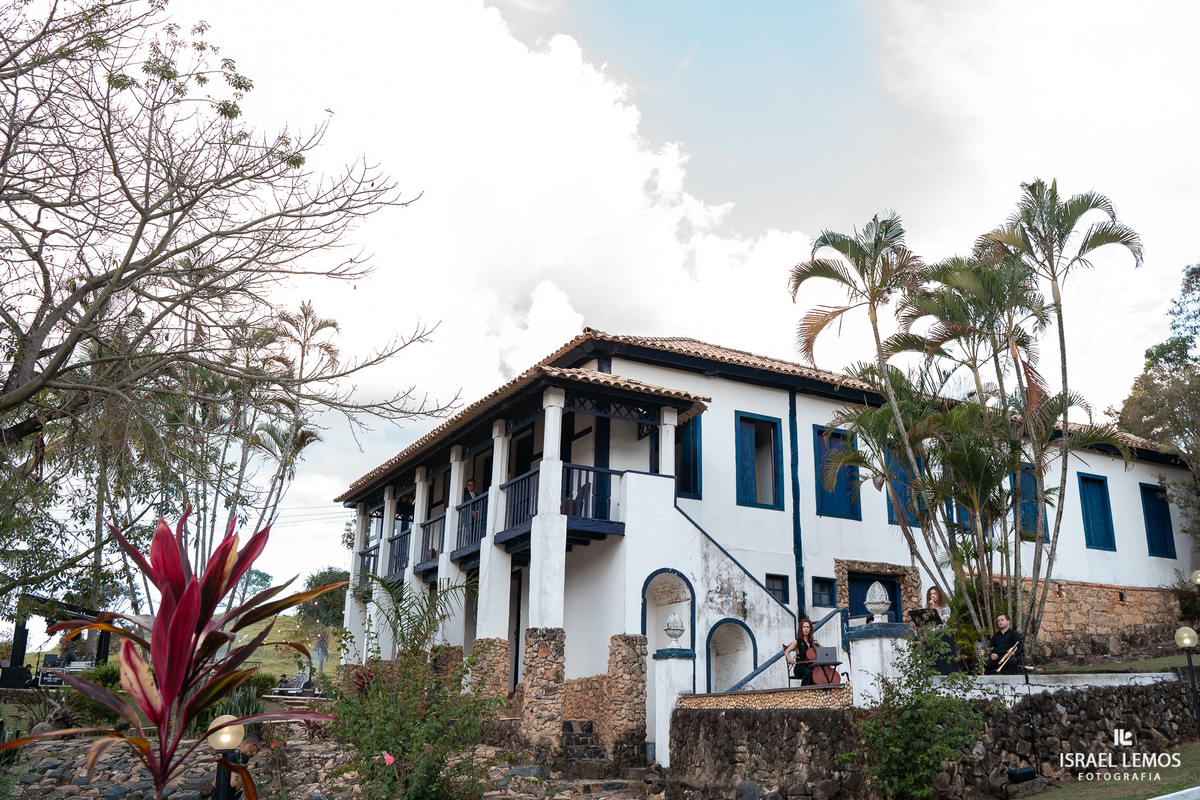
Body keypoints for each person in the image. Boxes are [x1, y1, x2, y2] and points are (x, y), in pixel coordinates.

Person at [214, 730, 263, 800]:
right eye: (258, 749)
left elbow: (215, 783)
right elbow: (235, 783)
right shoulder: (241, 757)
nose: (257, 753)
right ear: (252, 745)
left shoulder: (226, 754)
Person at [784, 618, 820, 686]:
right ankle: (804, 691)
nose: (806, 629)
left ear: (810, 629)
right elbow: (786, 651)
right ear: (801, 629)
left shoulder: (812, 642)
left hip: (810, 666)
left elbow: (823, 652)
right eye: (804, 627)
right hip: (800, 667)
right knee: (808, 672)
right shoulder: (797, 641)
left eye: (808, 627)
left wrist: (819, 645)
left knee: (815, 673)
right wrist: (790, 659)